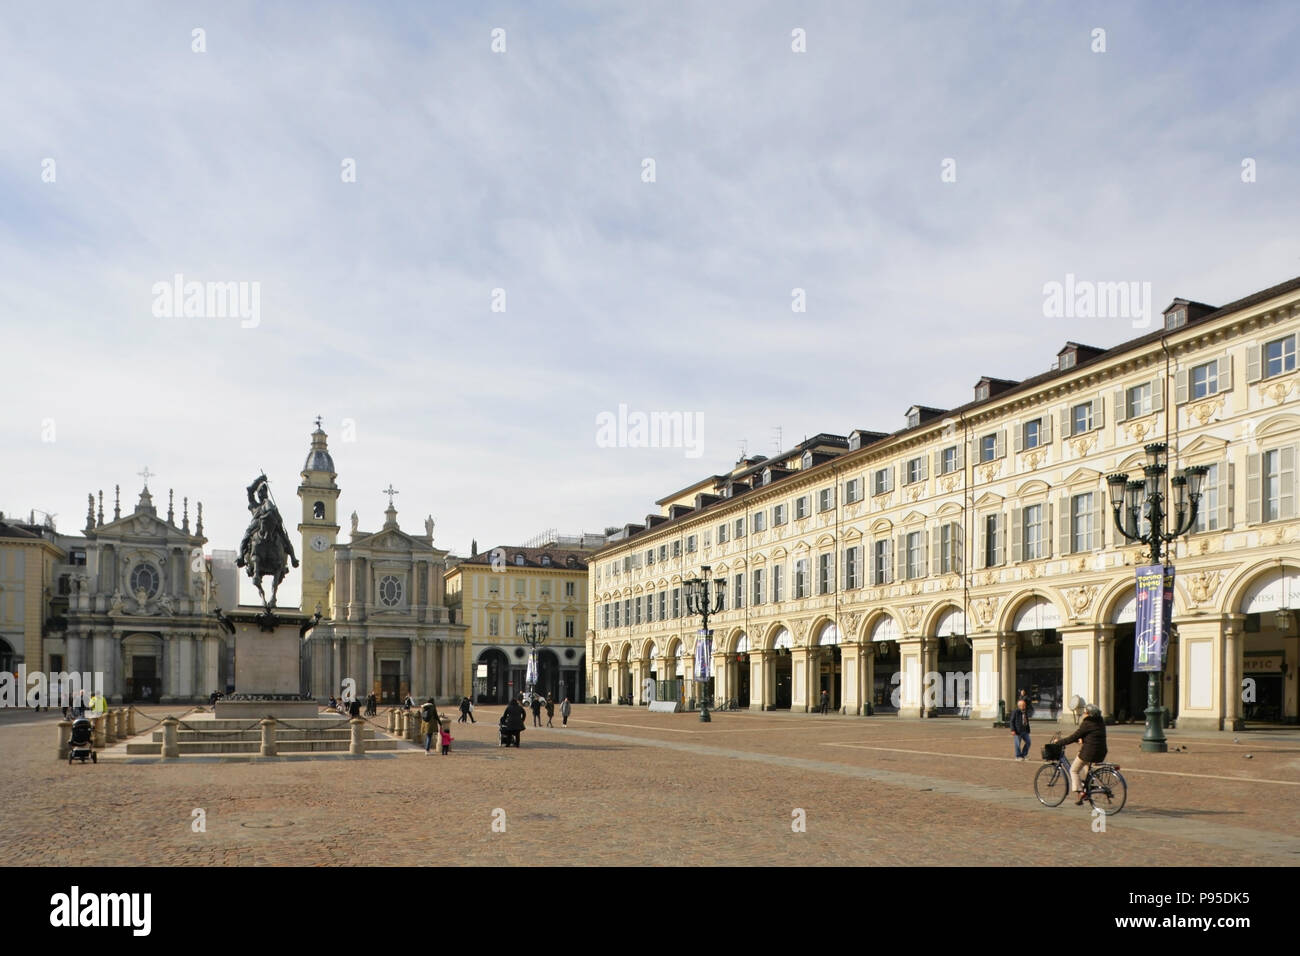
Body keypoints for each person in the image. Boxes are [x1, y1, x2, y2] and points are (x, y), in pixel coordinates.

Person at [1056, 703, 1108, 804]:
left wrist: (1059, 742)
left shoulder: (1087, 723)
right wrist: (1083, 739)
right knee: (1086, 767)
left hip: (1090, 752)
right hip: (1101, 751)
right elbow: (1093, 735)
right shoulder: (1100, 721)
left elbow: (1074, 736)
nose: (1084, 714)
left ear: (1088, 714)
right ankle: (1088, 787)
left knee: (1074, 770)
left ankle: (1080, 792)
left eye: (1085, 712)